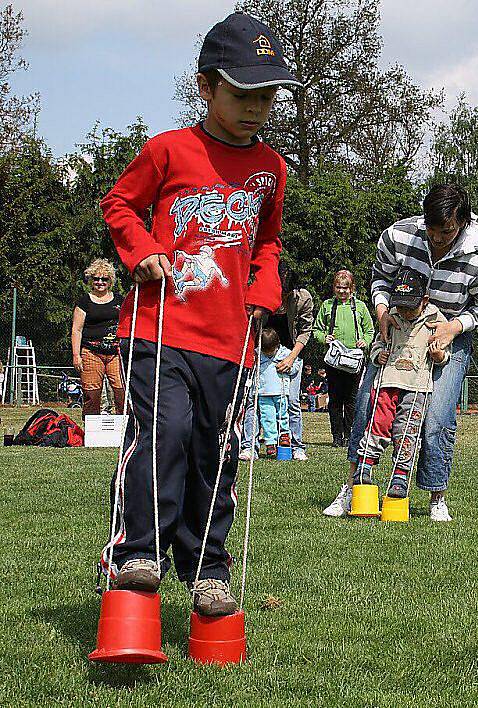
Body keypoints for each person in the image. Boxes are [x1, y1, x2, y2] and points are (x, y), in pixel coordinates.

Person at [97, 12, 298, 616]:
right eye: (242, 94)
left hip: (228, 339)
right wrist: (143, 252)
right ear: (207, 87)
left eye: (266, 96)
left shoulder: (272, 169)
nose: (256, 108)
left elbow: (268, 243)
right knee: (167, 436)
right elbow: (120, 205)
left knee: (217, 452)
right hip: (159, 329)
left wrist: (265, 292)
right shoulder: (168, 150)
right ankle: (138, 553)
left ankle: (208, 569)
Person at [323, 184, 478, 522]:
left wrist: (454, 327)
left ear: (462, 222)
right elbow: (380, 279)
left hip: (446, 335)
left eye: (446, 231)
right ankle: (352, 488)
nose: (437, 238)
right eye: (432, 230)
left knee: (435, 416)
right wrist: (380, 313)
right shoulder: (399, 236)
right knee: (367, 402)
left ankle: (436, 495)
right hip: (398, 329)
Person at [352, 268, 450, 497]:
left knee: (407, 430)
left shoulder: (436, 320)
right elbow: (378, 342)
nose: (404, 312)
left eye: (410, 307)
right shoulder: (391, 316)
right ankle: (365, 465)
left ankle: (400, 476)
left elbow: (445, 353)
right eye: (401, 306)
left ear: (424, 300)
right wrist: (377, 355)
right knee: (379, 422)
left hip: (418, 387)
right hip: (388, 382)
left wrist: (439, 356)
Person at [241, 261, 313, 461]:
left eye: (286, 295)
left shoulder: (303, 298)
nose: (281, 301)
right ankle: (250, 447)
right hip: (259, 354)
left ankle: (297, 447)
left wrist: (291, 358)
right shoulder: (258, 295)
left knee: (291, 401)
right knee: (253, 401)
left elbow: (306, 331)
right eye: (278, 294)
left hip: (290, 353)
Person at [313, 270, 375, 446]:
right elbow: (316, 330)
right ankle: (336, 436)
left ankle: (349, 435)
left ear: (352, 288)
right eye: (338, 288)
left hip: (354, 360)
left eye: (345, 288)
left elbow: (370, 330)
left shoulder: (360, 307)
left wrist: (366, 341)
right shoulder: (327, 305)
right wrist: (323, 337)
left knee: (351, 399)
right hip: (334, 359)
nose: (342, 291)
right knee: (334, 398)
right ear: (334, 288)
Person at [71, 259, 125, 417]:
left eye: (104, 279)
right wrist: (76, 356)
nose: (100, 282)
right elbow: (76, 330)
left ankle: (125, 428)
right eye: (96, 279)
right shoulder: (84, 302)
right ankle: (91, 431)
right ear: (90, 280)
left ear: (110, 281)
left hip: (116, 353)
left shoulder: (120, 301)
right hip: (91, 352)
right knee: (92, 393)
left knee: (121, 390)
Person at [252, 327, 298, 458]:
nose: (268, 354)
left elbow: (295, 367)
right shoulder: (257, 353)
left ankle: (284, 434)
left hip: (281, 392)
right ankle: (270, 442)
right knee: (267, 418)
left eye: (271, 351)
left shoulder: (285, 353)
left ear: (277, 345)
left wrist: (288, 367)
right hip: (263, 393)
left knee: (283, 415)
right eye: (265, 352)